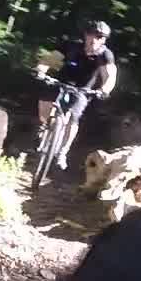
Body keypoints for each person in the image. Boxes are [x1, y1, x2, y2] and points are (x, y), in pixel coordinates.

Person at [34, 19, 117, 170]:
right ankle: (45, 126)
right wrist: (41, 70)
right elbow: (49, 60)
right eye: (92, 35)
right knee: (45, 98)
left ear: (104, 40)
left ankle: (62, 152)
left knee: (73, 117)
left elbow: (110, 76)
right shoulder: (71, 46)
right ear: (86, 35)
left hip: (83, 90)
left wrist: (105, 90)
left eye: (99, 37)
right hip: (61, 82)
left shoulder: (105, 55)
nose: (94, 39)